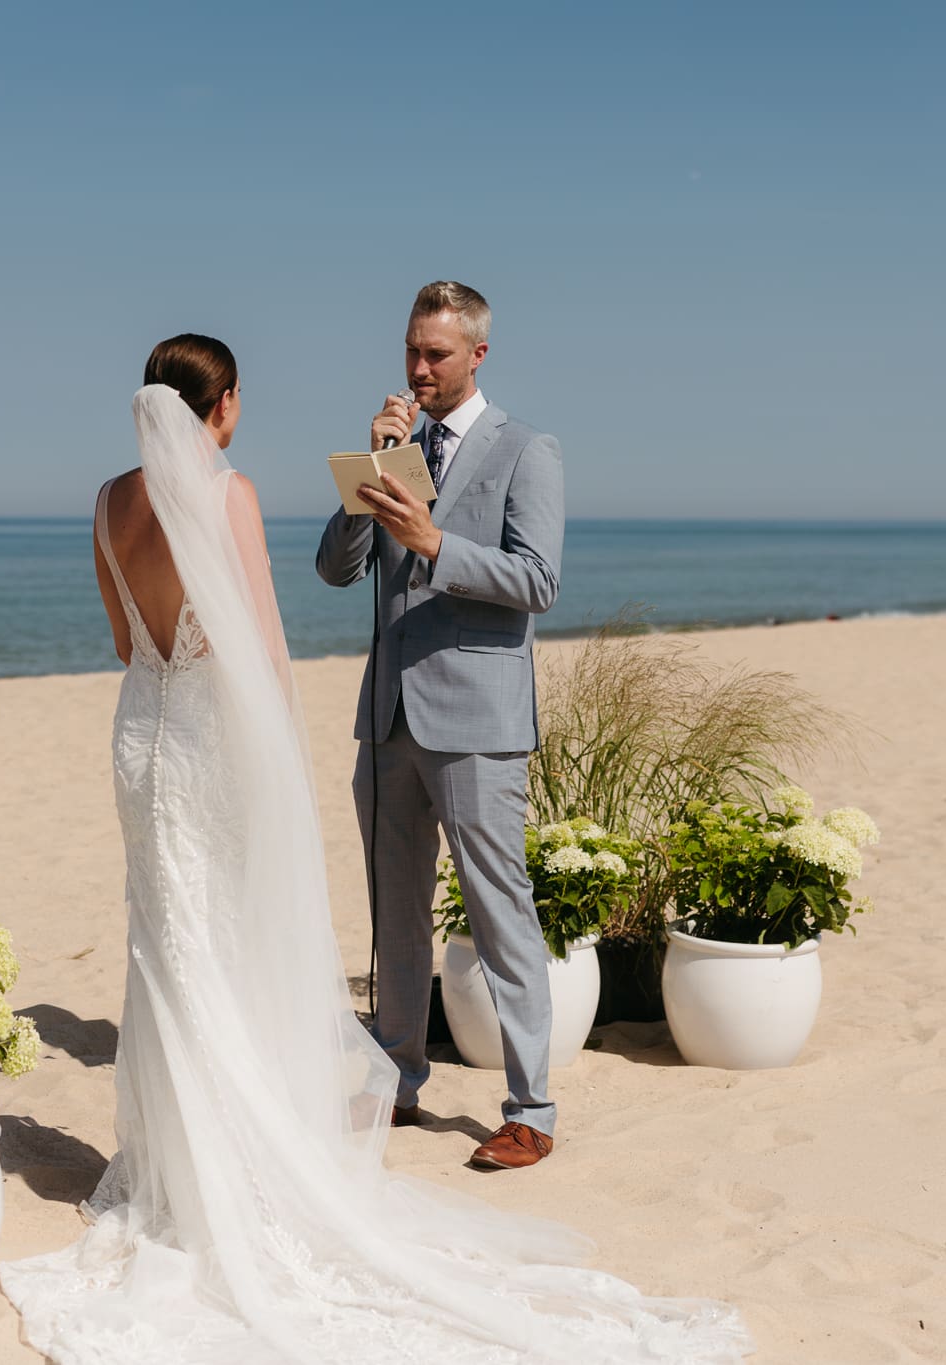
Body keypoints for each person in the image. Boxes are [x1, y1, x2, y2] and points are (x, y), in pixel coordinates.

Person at [0, 334, 746, 1365]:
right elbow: (262, 645)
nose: (418, 363)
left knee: (166, 945)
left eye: (432, 350)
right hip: (215, 733)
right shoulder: (227, 493)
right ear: (224, 407)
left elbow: (128, 644)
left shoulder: (103, 500)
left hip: (143, 736)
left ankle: (180, 1165)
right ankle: (242, 1163)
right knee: (218, 939)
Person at [315, 281, 565, 1170]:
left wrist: (434, 545)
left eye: (437, 354)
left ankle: (531, 1106)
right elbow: (336, 569)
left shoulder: (527, 450)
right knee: (394, 911)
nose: (419, 368)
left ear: (478, 356)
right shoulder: (398, 444)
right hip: (387, 715)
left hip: (477, 721)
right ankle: (397, 1080)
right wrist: (371, 467)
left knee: (503, 914)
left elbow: (538, 582)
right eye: (412, 351)